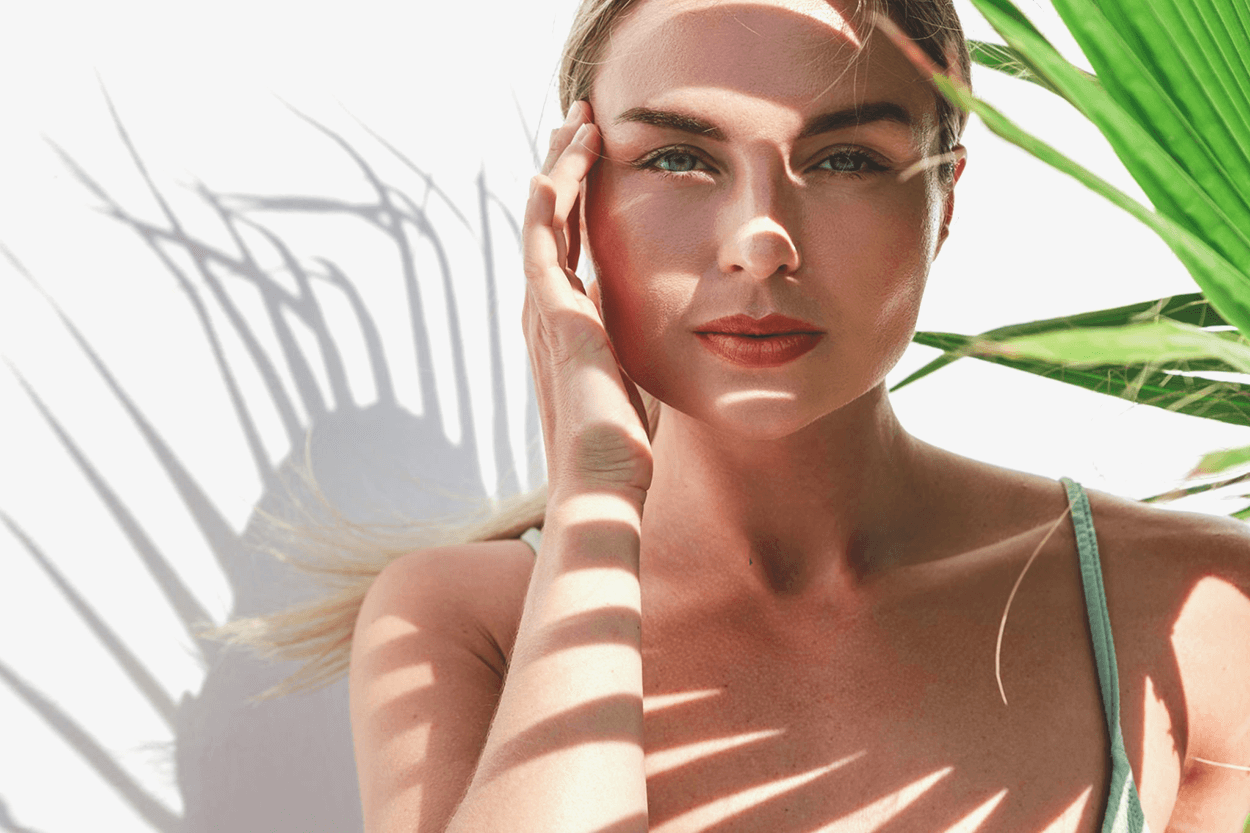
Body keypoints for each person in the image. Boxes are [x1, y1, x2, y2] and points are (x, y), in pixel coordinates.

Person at [229, 0, 1250, 830]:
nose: (760, 242)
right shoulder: (468, 620)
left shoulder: (1194, 607)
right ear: (575, 202)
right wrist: (594, 498)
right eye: (679, 157)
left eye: (845, 159)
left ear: (943, 198)